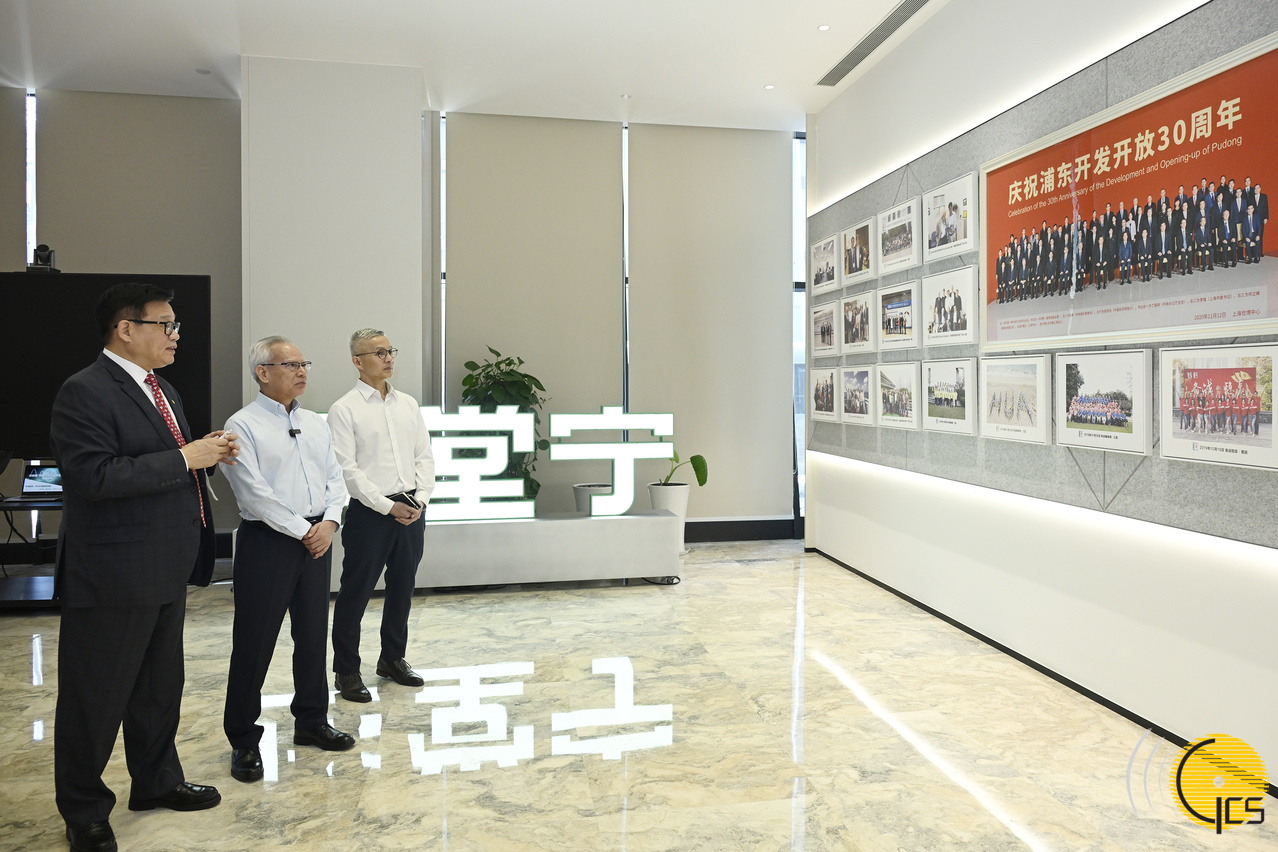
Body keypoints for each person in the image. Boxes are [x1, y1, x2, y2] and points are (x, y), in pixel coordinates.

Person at [50, 282, 236, 852]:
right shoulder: (84, 390)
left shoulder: (162, 388)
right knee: (95, 697)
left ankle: (155, 781)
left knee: (158, 688)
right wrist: (185, 457)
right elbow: (94, 476)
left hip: (164, 565)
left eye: (176, 325)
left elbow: (164, 465)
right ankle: (84, 810)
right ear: (126, 329)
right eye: (165, 325)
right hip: (111, 573)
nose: (176, 335)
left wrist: (203, 453)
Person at [221, 337, 353, 785]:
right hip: (269, 542)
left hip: (319, 538)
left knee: (313, 636)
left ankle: (312, 720)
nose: (302, 371)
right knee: (254, 641)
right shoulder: (242, 424)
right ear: (263, 372)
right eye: (290, 364)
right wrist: (304, 530)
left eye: (304, 363)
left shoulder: (315, 422)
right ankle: (243, 738)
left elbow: (335, 477)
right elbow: (254, 493)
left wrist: (330, 522)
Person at [328, 329, 437, 703]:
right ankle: (346, 669)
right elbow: (348, 469)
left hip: (412, 508)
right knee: (355, 593)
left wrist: (420, 500)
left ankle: (392, 659)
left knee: (403, 587)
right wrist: (388, 506)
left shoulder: (408, 404)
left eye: (390, 351)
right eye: (378, 353)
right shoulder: (344, 409)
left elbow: (424, 455)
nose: (388, 358)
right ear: (357, 361)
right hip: (370, 513)